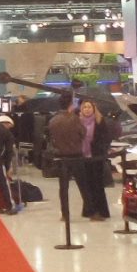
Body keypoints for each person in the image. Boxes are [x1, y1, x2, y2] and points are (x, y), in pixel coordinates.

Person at [46, 93, 85, 222]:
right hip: (76, 155)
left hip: (61, 157)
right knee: (83, 184)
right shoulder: (75, 119)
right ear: (71, 104)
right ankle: (89, 210)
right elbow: (83, 133)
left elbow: (51, 138)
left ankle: (65, 214)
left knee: (63, 187)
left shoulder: (53, 120)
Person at [77, 99, 114, 221]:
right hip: (84, 158)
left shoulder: (99, 121)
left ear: (93, 109)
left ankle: (101, 211)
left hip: (97, 157)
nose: (87, 109)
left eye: (89, 107)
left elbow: (106, 138)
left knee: (98, 184)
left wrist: (101, 149)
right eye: (85, 107)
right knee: (87, 185)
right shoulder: (78, 122)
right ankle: (89, 211)